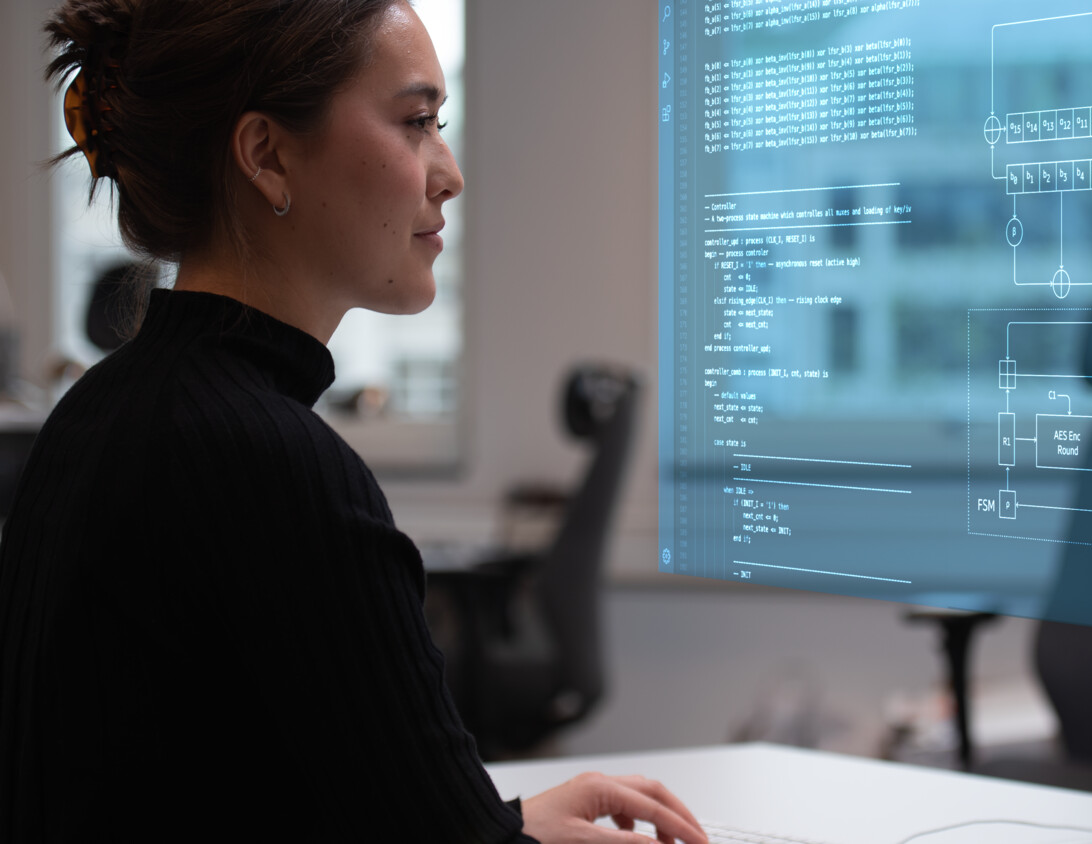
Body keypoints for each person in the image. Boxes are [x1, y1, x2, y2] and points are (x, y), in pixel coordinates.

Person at [0, 2, 707, 842]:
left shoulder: (99, 412)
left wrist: (506, 823)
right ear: (267, 155)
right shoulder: (274, 465)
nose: (448, 171)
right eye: (415, 123)